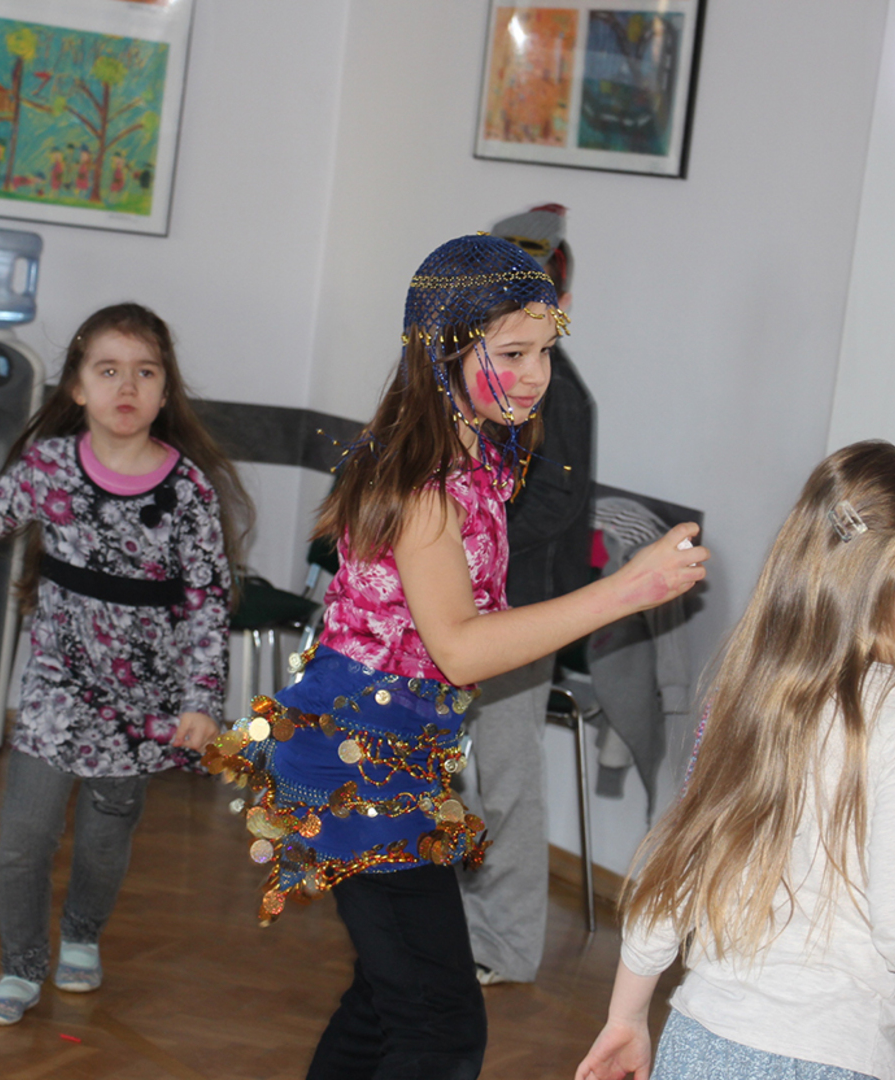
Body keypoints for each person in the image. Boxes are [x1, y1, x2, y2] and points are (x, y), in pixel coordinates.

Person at [204, 234, 706, 1080]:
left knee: (386, 1004)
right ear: (442, 352)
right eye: (512, 353)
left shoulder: (480, 452)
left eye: (545, 350)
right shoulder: (424, 481)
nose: (536, 374)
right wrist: (624, 591)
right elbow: (461, 646)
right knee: (440, 1029)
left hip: (391, 755)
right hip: (359, 765)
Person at [575, 441, 895, 1080]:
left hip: (696, 1041)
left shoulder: (748, 694)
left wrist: (626, 1016)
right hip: (823, 1061)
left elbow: (676, 859)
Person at [0, 303, 252, 1026]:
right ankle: (20, 967)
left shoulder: (188, 492)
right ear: (78, 388)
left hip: (143, 703)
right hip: (57, 687)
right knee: (24, 839)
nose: (126, 387)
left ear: (165, 392)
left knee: (106, 841)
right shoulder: (48, 467)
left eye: (145, 373)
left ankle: (82, 933)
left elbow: (208, 602)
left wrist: (202, 700)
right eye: (108, 371)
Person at [457, 203, 594, 986]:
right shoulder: (474, 380)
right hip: (469, 611)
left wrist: (469, 527)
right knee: (451, 772)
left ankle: (504, 946)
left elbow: (555, 504)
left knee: (507, 782)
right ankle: (457, 924)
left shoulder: (560, 395)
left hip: (522, 612)